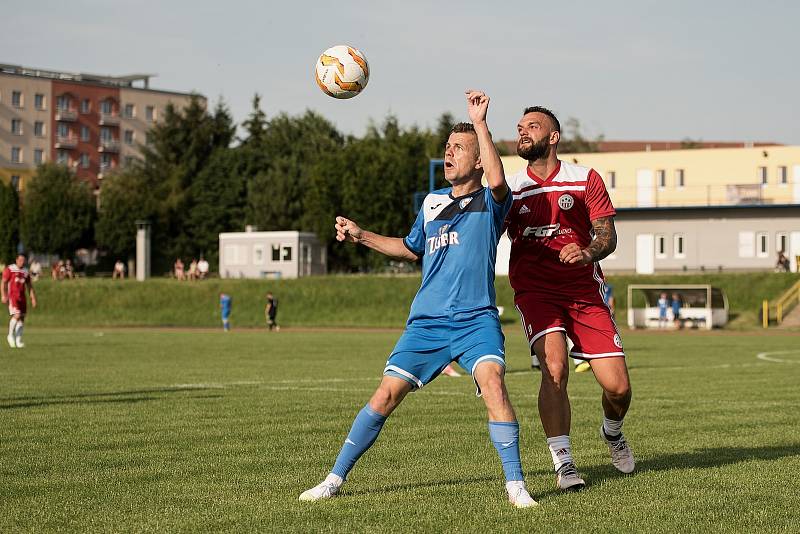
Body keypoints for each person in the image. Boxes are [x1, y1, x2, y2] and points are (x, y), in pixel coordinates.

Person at [299, 91, 537, 508]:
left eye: (457, 149)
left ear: (478, 158)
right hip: (426, 323)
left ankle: (516, 487)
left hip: (475, 320)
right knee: (384, 396)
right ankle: (333, 479)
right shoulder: (431, 204)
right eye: (445, 148)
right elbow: (411, 249)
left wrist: (479, 124)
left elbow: (499, 181)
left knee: (494, 384)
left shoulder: (491, 200)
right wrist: (361, 235)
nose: (448, 155)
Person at [504, 106, 635, 491]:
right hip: (536, 292)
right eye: (520, 127)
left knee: (618, 388)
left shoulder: (584, 179)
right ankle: (564, 463)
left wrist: (587, 251)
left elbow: (607, 235)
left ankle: (612, 431)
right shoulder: (510, 189)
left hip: (583, 291)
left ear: (553, 136)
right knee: (555, 369)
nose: (523, 131)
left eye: (532, 126)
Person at [1, 253, 37, 348]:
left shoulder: (25, 272)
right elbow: (3, 282)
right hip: (13, 297)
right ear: (16, 260)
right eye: (20, 260)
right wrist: (3, 295)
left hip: (22, 298)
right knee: (16, 315)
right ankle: (10, 335)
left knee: (22, 318)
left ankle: (18, 340)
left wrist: (33, 298)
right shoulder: (10, 269)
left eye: (23, 260)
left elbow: (29, 286)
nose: (22, 262)